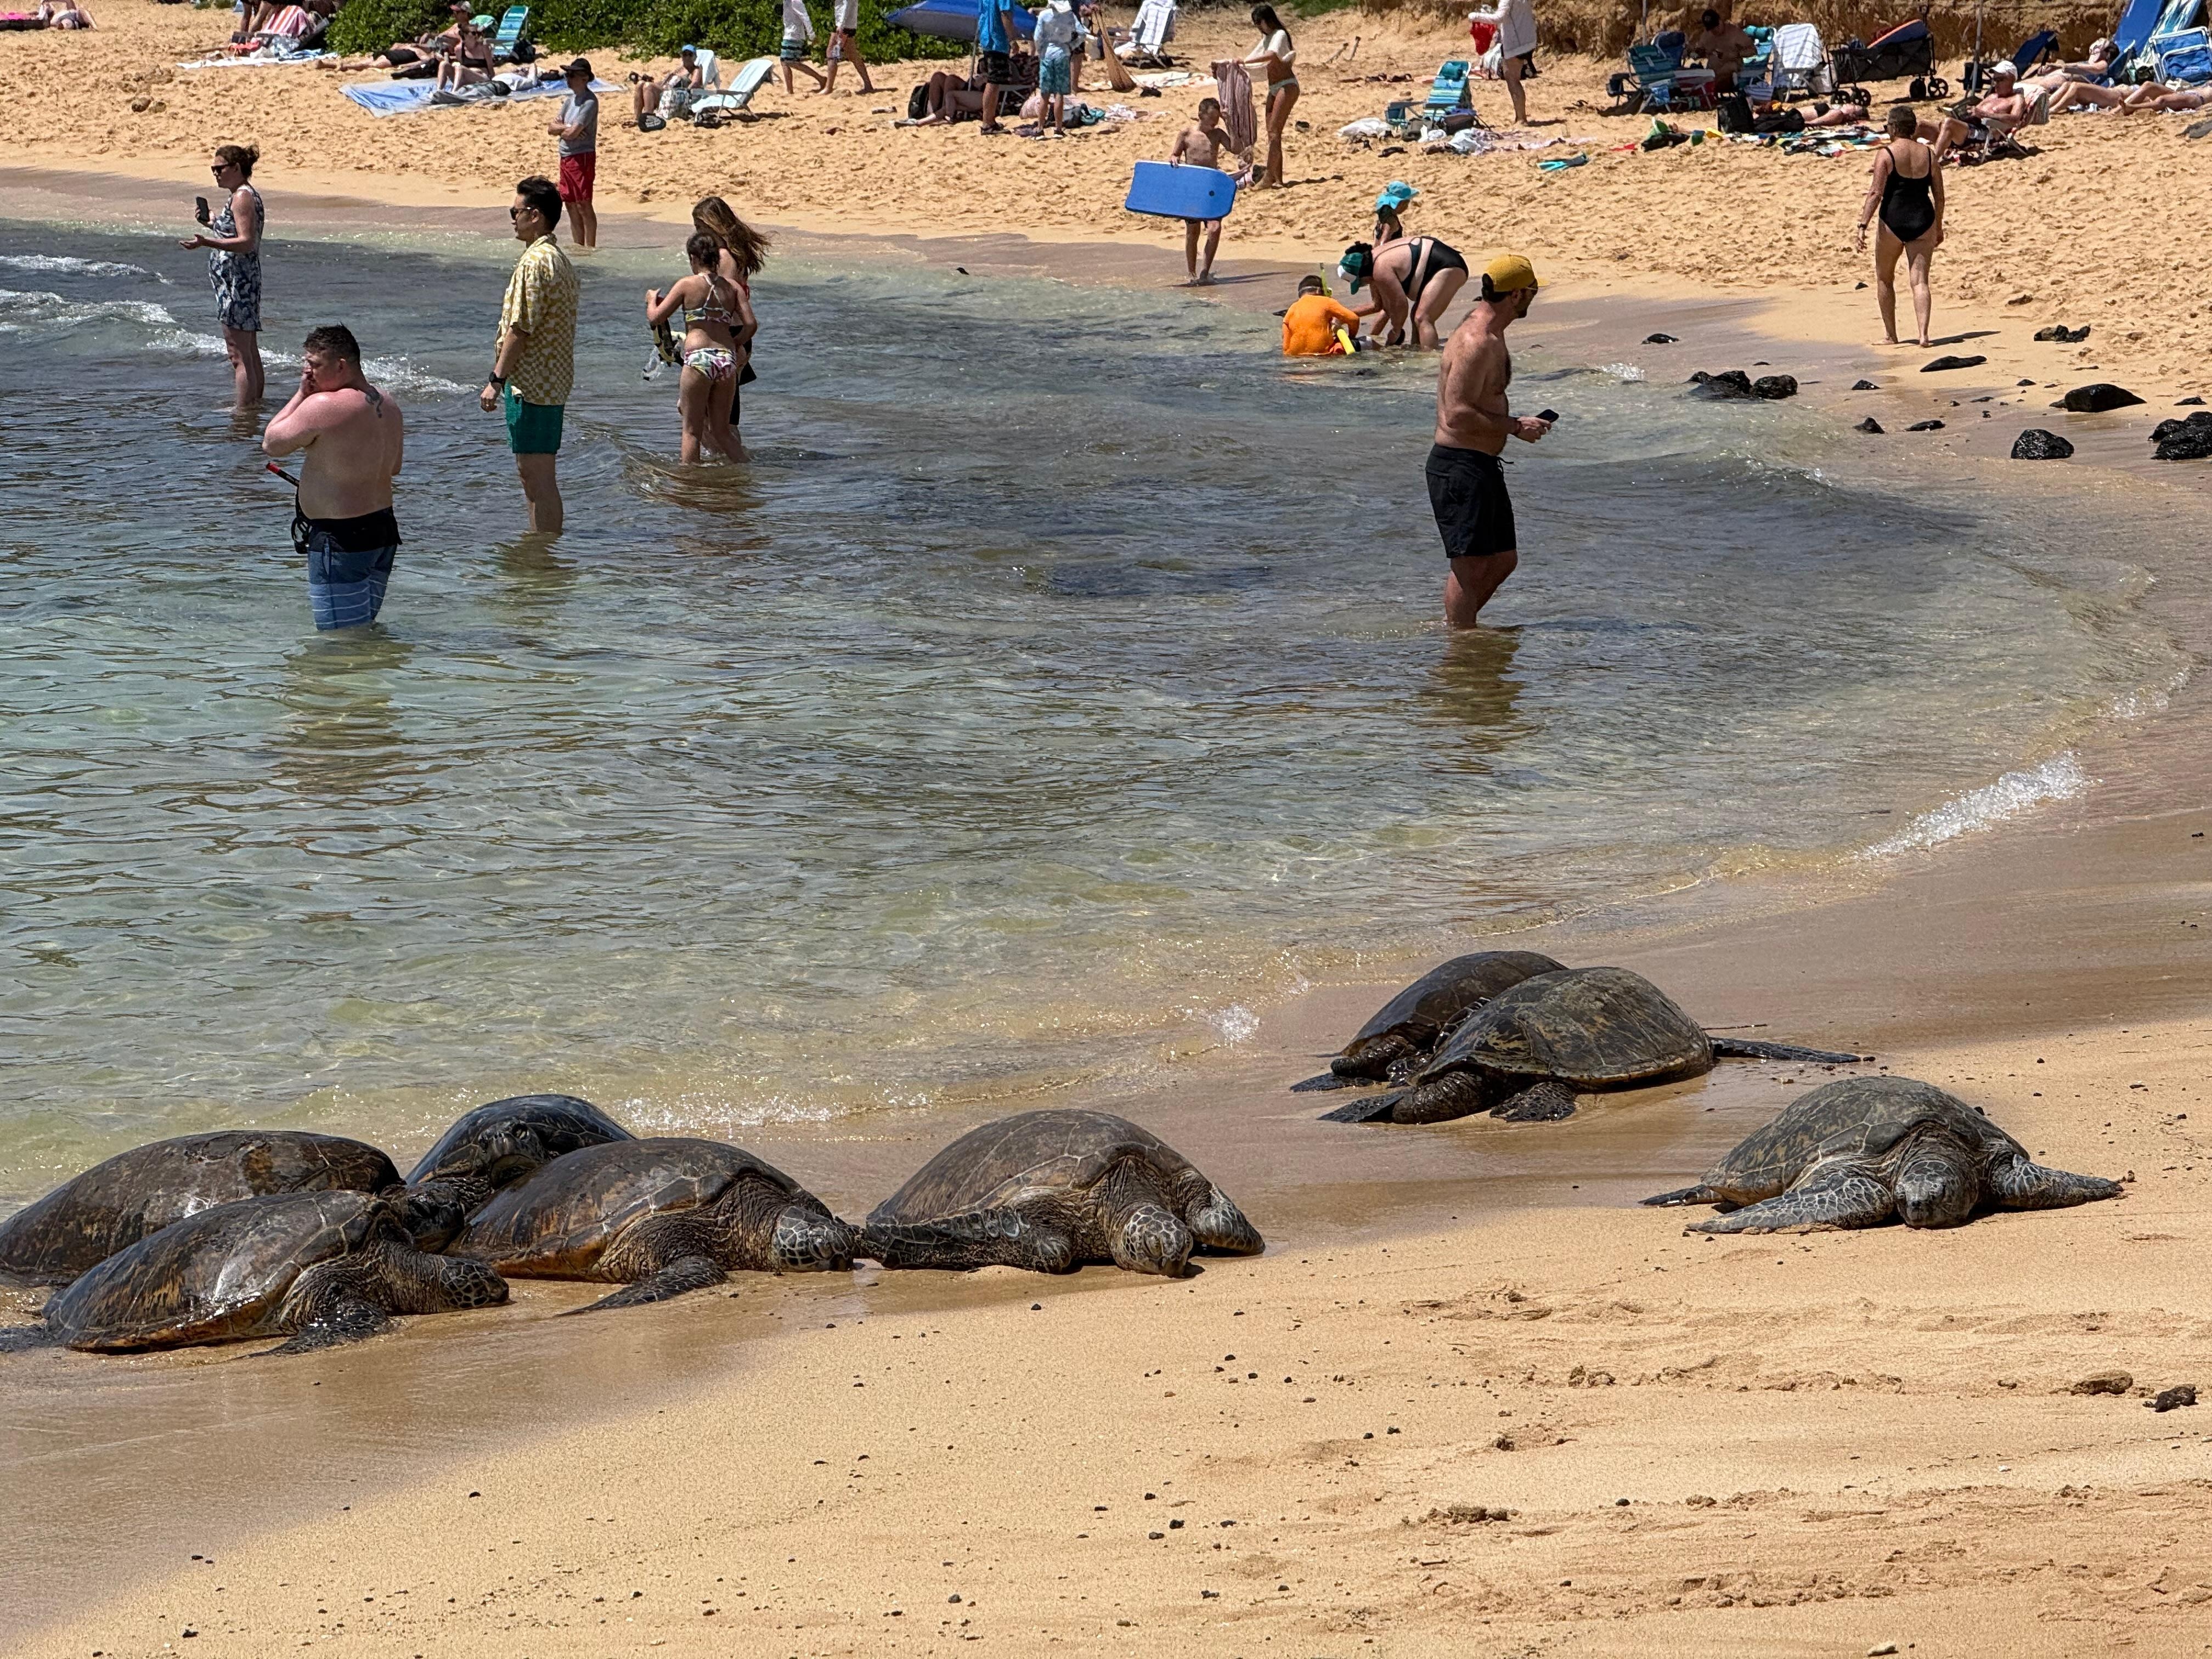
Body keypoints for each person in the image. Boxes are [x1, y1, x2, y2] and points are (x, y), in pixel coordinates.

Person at [1428, 254, 1547, 628]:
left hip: (1480, 464)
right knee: (1470, 564)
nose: (1532, 299)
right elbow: (1457, 414)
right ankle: (1460, 644)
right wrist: (1514, 426)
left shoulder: (1491, 331)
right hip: (1459, 465)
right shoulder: (1476, 341)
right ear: (1516, 295)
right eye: (1532, 292)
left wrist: (1513, 425)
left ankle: (1457, 625)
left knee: (1503, 559)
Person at [262, 325, 405, 630]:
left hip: (341, 538)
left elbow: (272, 444)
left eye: (314, 365)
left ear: (341, 365)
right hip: (382, 532)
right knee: (363, 629)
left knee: (340, 640)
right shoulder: (389, 403)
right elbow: (394, 467)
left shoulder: (323, 405)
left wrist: (301, 395)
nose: (307, 373)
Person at [482, 176, 578, 533]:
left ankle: (543, 553)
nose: (513, 219)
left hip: (533, 384)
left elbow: (520, 328)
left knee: (536, 477)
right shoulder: (557, 259)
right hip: (552, 380)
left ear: (534, 215)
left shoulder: (535, 262)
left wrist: (496, 380)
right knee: (536, 476)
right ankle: (542, 549)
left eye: (516, 212)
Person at [645, 233, 748, 465]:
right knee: (722, 431)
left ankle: (689, 481)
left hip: (699, 358)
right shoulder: (732, 288)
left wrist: (651, 299)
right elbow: (751, 325)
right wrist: (735, 344)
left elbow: (656, 318)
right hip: (726, 359)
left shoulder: (686, 284)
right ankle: (749, 471)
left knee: (691, 430)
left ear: (693, 258)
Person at [180, 143, 264, 408]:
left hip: (238, 282)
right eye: (213, 169)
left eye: (220, 169)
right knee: (248, 352)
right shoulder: (242, 195)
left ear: (236, 168)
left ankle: (243, 415)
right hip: (240, 280)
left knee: (239, 355)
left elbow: (246, 242)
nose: (215, 174)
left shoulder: (242, 197)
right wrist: (213, 223)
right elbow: (236, 233)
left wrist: (206, 242)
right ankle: (254, 410)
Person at [1857, 102, 1943, 348]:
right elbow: (1939, 195)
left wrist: (1863, 224)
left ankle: (1891, 335)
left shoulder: (1887, 154)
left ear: (1893, 128)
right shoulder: (1929, 154)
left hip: (1892, 222)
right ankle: (1924, 335)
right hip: (1923, 219)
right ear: (1913, 128)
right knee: (1920, 281)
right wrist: (1938, 225)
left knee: (1885, 278)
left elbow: (1876, 193)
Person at [1167, 97, 1248, 283]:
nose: (1214, 123)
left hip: (1211, 188)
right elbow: (1175, 154)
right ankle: (1191, 273)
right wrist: (1174, 158)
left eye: (1217, 119)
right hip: (1193, 188)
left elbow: (1236, 149)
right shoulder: (1186, 134)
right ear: (1200, 115)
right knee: (1193, 232)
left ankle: (1205, 273)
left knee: (1215, 228)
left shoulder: (1218, 134)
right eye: (1211, 118)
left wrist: (1229, 124)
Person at [1339, 234, 1468, 349]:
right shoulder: (1375, 258)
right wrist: (1342, 316)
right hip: (1439, 261)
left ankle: (1430, 361)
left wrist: (1396, 330)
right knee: (1415, 315)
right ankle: (1419, 354)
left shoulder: (1380, 270)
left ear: (1362, 274)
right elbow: (1381, 306)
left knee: (1422, 318)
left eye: (1361, 283)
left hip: (1448, 266)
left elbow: (1400, 305)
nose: (1366, 284)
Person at [1242, 4, 1296, 186]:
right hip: (1273, 87)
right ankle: (1277, 178)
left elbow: (1272, 55)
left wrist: (1243, 62)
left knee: (1274, 132)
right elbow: (1257, 58)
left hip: (1286, 85)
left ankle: (1269, 176)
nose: (1258, 26)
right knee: (1273, 134)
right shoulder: (1267, 39)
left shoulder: (1280, 35)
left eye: (1260, 22)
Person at [551, 58, 598, 249]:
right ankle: (579, 246)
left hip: (582, 157)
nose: (568, 79)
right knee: (570, 204)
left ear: (584, 78)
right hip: (566, 156)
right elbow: (552, 128)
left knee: (583, 204)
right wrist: (567, 128)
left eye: (572, 75)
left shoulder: (590, 102)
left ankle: (591, 247)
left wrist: (565, 129)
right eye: (567, 75)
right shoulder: (569, 101)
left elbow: (572, 134)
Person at [1468, 0, 1536, 125]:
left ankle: (1521, 119)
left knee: (1512, 79)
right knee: (1513, 78)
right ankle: (1519, 118)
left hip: (1516, 44)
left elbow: (1499, 18)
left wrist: (1475, 16)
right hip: (1528, 39)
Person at [1032, 0, 1087, 134]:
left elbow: (1037, 37)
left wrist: (1040, 50)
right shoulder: (1070, 16)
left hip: (1047, 54)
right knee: (1059, 94)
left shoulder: (1044, 15)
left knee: (1045, 93)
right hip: (1063, 53)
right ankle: (1058, 128)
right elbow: (1082, 33)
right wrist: (1071, 46)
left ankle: (1040, 127)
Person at [1280, 274, 1361, 356]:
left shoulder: (1292, 309)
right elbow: (1354, 319)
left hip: (1296, 357)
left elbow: (1286, 345)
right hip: (1324, 355)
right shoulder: (1327, 302)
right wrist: (1351, 337)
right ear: (1319, 291)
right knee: (1365, 342)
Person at [633, 44, 712, 122]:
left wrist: (686, 93)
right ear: (682, 56)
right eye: (685, 54)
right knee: (640, 84)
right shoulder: (679, 69)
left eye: (690, 55)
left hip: (676, 98)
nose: (687, 57)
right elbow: (664, 83)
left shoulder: (696, 69)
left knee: (648, 86)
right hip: (666, 94)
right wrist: (651, 82)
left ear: (695, 57)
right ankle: (637, 119)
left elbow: (695, 83)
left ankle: (648, 118)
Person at [974, 0, 1015, 134]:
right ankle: (987, 123)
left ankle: (990, 121)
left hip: (987, 37)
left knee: (994, 81)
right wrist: (1012, 40)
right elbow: (1005, 14)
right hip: (997, 40)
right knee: (994, 81)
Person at [1690, 7, 1754, 91]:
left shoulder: (1734, 32)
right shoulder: (1706, 36)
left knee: (1730, 67)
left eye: (1716, 26)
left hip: (1731, 73)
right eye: (1712, 29)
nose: (1715, 30)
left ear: (1721, 21)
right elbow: (1697, 53)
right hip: (1712, 73)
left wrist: (1736, 54)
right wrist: (1696, 53)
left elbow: (1753, 50)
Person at [823, 0, 874, 94]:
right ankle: (868, 85)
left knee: (831, 54)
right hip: (849, 24)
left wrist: (841, 25)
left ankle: (828, 88)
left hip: (844, 25)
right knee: (853, 56)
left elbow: (846, 5)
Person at [780, 0, 827, 94]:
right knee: (787, 62)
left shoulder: (795, 1)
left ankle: (820, 79)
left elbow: (805, 17)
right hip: (790, 35)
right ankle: (790, 90)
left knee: (787, 61)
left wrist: (812, 35)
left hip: (794, 35)